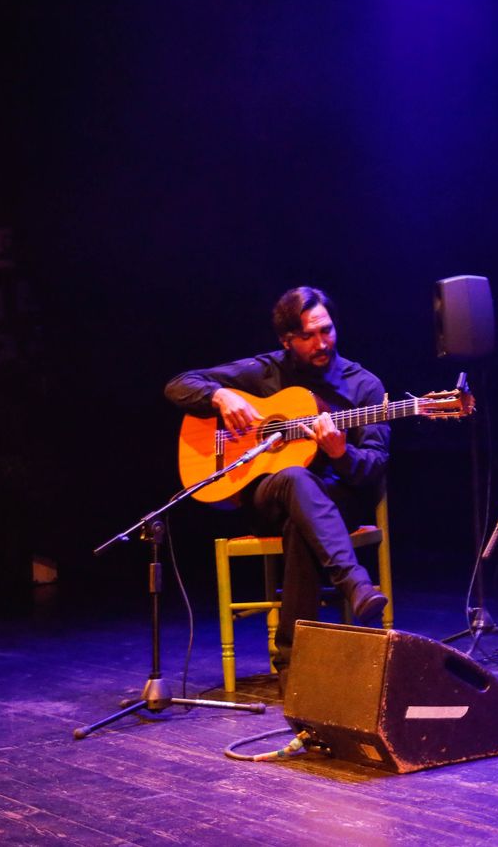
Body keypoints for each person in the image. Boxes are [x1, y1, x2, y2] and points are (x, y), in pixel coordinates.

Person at [164, 286, 389, 691]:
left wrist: (340, 454)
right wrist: (220, 395)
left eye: (327, 330)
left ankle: (292, 666)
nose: (322, 342)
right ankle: (354, 581)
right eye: (308, 336)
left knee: (301, 519)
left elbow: (373, 466)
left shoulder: (365, 387)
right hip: (265, 497)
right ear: (287, 340)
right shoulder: (265, 371)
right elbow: (178, 384)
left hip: (339, 500)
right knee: (293, 478)